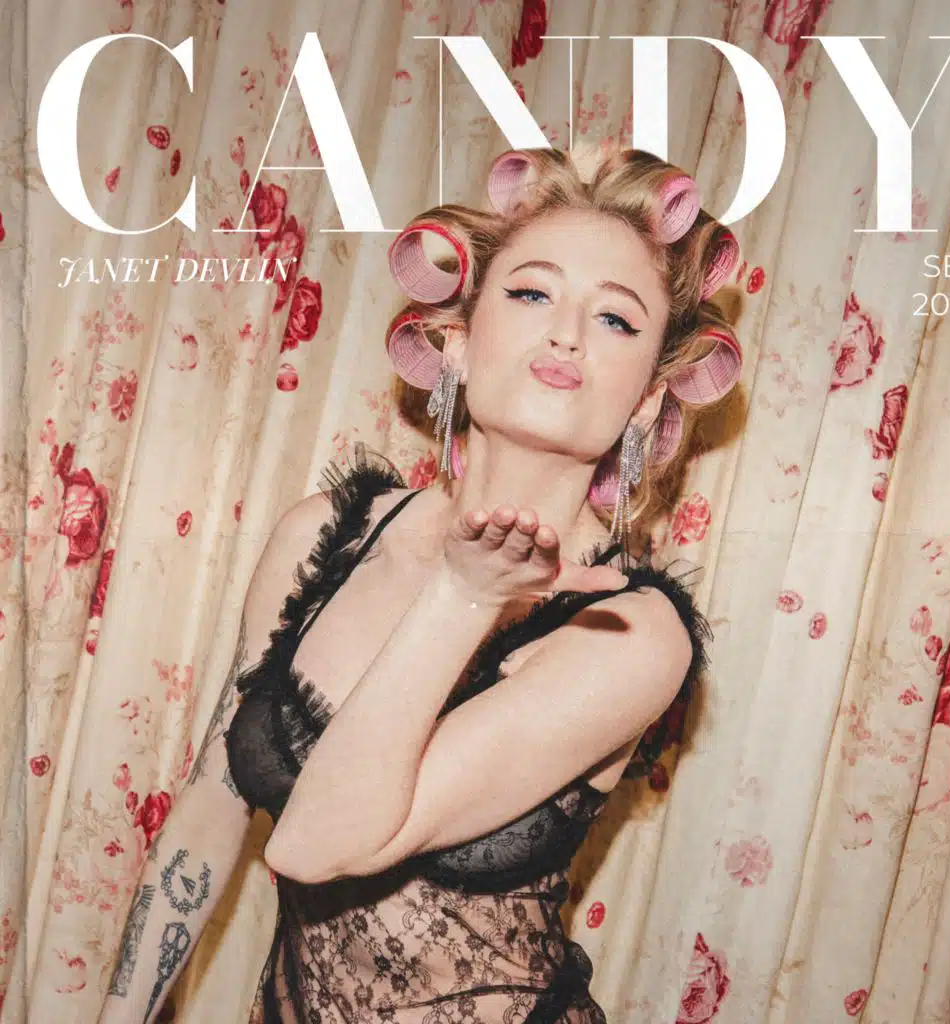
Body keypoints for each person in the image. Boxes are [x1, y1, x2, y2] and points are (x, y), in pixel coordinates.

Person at [97, 146, 743, 1024]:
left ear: (644, 403)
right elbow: (212, 807)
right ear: (458, 343)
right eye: (532, 294)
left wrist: (464, 596)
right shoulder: (325, 538)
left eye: (615, 320)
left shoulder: (628, 633)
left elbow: (317, 843)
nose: (567, 334)